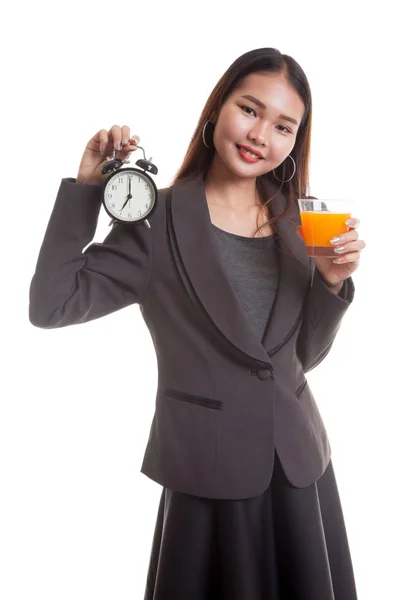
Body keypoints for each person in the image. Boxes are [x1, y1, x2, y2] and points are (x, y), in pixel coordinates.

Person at [29, 47, 365, 599]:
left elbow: (299, 357)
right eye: (250, 110)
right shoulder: (156, 222)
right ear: (216, 110)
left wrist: (329, 282)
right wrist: (88, 189)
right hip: (209, 478)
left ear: (294, 141)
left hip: (300, 473)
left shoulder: (298, 222)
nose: (262, 134)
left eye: (284, 126)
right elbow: (52, 304)